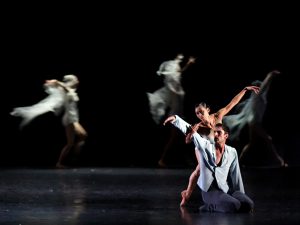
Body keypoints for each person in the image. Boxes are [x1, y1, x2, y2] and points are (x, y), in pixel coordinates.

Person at [179, 85, 260, 206]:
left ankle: (226, 190)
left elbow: (232, 104)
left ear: (208, 110)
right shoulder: (199, 127)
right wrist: (192, 133)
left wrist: (244, 90)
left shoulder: (218, 116)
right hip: (203, 147)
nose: (200, 115)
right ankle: (187, 195)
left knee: (221, 166)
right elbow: (187, 141)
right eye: (197, 114)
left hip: (215, 148)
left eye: (201, 112)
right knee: (200, 169)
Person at [164, 115, 254, 213]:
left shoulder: (232, 152)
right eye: (214, 132)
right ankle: (208, 207)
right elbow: (192, 132)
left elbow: (235, 176)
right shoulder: (206, 146)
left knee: (249, 205)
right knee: (234, 205)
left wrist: (240, 195)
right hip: (210, 191)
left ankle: (229, 202)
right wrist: (176, 119)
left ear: (226, 135)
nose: (215, 134)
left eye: (218, 132)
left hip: (225, 189)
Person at [11, 74, 87, 168]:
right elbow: (64, 87)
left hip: (73, 119)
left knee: (77, 139)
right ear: (72, 82)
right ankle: (67, 160)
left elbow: (66, 88)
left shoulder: (71, 91)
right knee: (76, 139)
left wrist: (56, 82)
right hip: (70, 119)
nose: (78, 82)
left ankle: (68, 160)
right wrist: (56, 82)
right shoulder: (66, 90)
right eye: (76, 80)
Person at [223, 70, 287, 167]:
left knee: (251, 144)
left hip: (254, 123)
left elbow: (264, 88)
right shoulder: (258, 97)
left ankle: (238, 163)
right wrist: (270, 75)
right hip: (254, 124)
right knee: (268, 139)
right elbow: (264, 87)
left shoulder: (259, 99)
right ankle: (280, 162)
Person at [147, 53, 196, 167]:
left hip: (178, 116)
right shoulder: (174, 90)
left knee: (181, 138)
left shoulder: (177, 90)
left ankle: (169, 159)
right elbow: (178, 73)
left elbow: (179, 73)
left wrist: (187, 65)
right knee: (179, 137)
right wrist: (188, 64)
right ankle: (164, 159)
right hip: (175, 117)